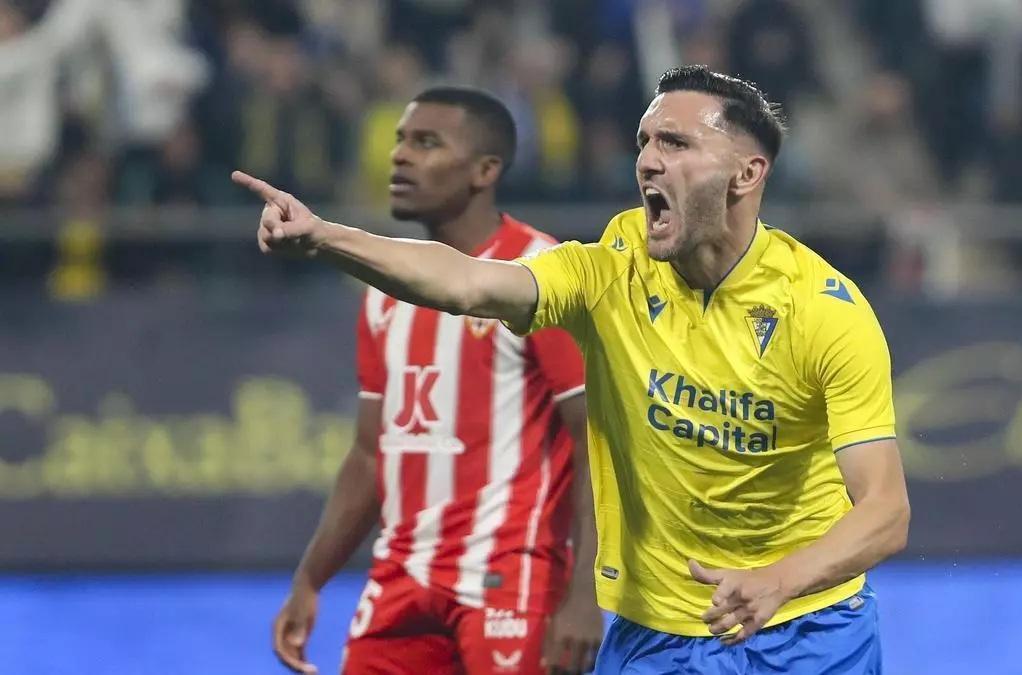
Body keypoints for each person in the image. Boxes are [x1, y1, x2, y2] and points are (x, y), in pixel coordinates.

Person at [239, 66, 911, 674]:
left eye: (675, 144)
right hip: (656, 636)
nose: (647, 160)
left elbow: (884, 509)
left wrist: (780, 579)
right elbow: (469, 282)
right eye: (645, 141)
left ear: (746, 174)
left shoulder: (824, 310)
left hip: (809, 630)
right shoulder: (610, 270)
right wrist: (325, 236)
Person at [267, 87, 603, 675]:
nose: (399, 155)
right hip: (401, 577)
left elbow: (596, 441)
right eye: (400, 140)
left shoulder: (541, 276)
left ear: (485, 170)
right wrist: (310, 579)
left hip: (508, 577)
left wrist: (586, 593)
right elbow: (372, 454)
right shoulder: (382, 292)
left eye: (426, 143)